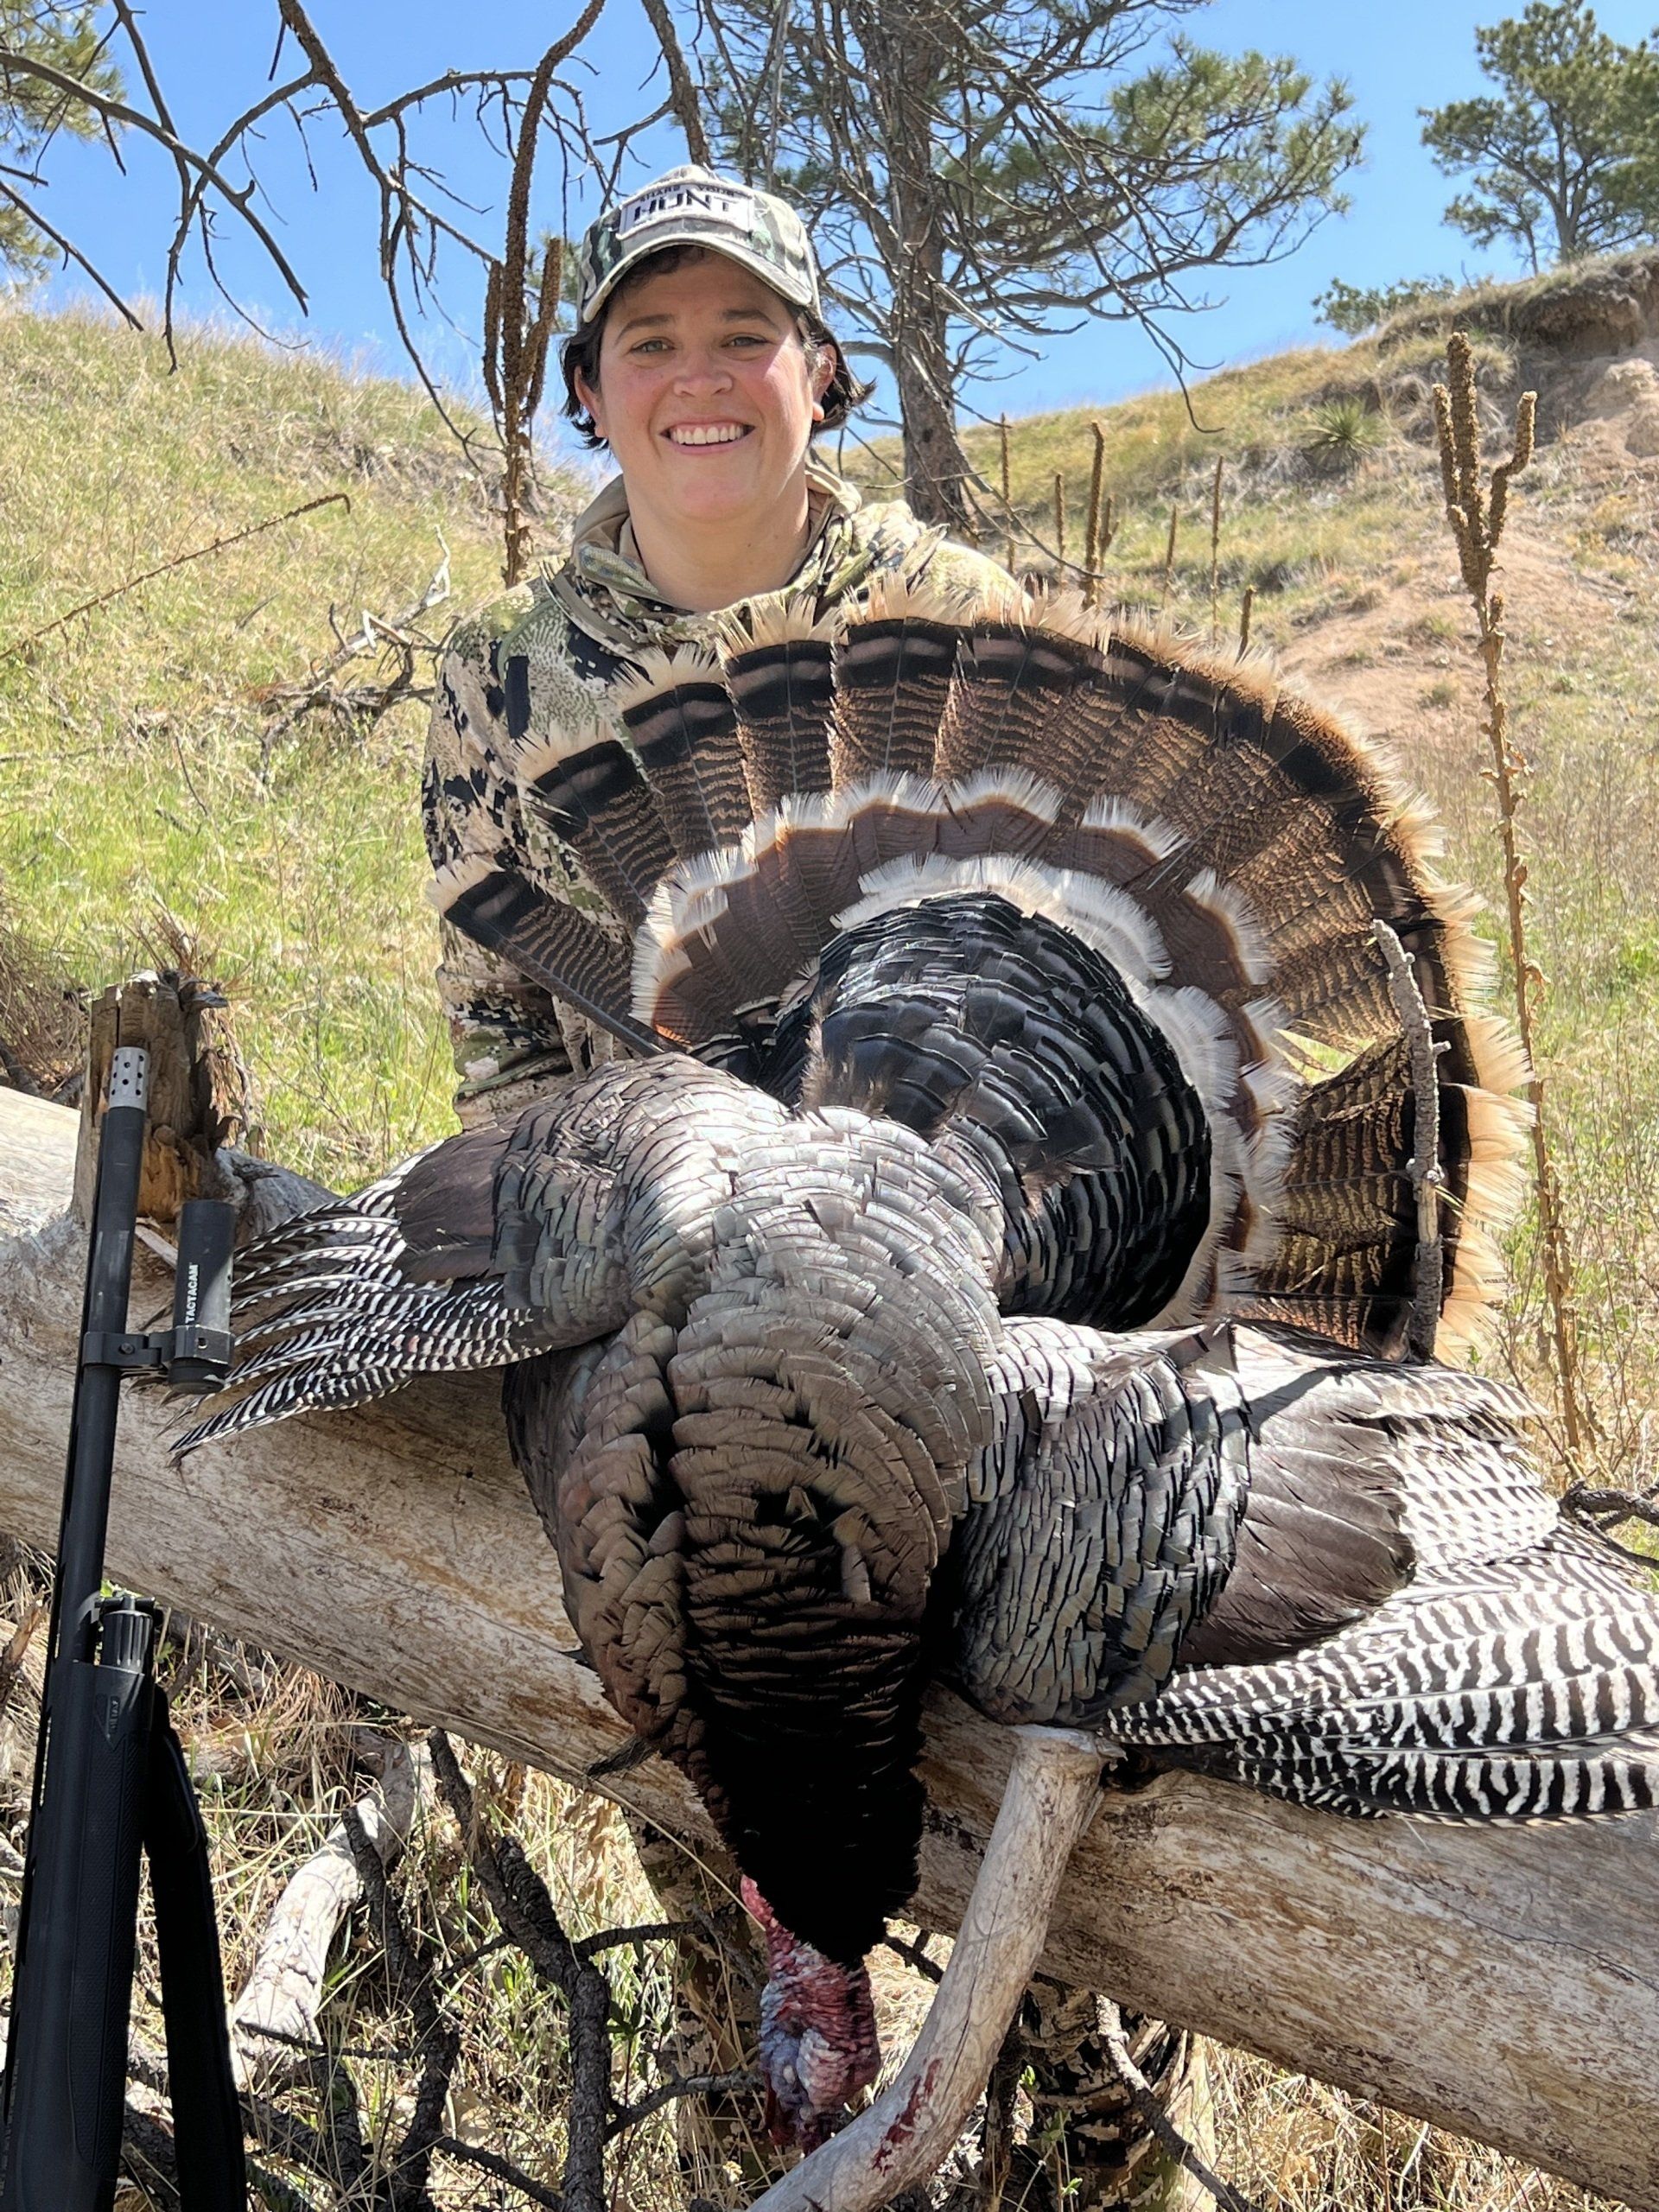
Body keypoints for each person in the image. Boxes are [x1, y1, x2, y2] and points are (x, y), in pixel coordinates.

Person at [423, 162, 1011, 1127]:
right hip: (640, 1218)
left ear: (818, 372)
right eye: (650, 343)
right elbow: (502, 1023)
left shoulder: (952, 610)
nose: (700, 378)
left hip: (941, 1204)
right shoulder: (504, 671)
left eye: (745, 336)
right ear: (591, 392)